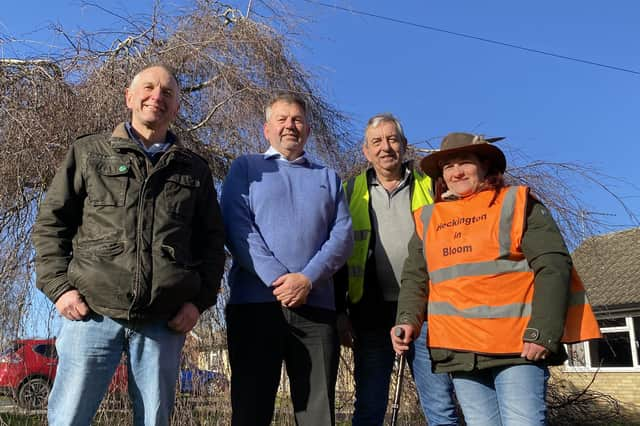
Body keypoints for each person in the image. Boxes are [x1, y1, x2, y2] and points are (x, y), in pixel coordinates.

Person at [32, 64, 226, 426]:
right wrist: (59, 288)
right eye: (149, 88)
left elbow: (213, 244)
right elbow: (50, 224)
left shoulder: (194, 170)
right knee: (68, 418)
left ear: (177, 107)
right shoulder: (89, 153)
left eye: (168, 92)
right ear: (130, 97)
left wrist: (199, 303)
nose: (157, 97)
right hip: (91, 313)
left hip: (163, 322)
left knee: (154, 420)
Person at [391, 132, 601, 425]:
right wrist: (406, 320)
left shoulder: (517, 203)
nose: (456, 172)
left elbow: (553, 266)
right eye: (448, 167)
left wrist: (542, 331)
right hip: (460, 350)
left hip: (518, 348)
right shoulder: (429, 219)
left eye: (465, 162)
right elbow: (415, 277)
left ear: (485, 166)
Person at [221, 92, 354, 426]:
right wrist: (280, 281)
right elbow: (238, 229)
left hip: (316, 310)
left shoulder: (328, 177)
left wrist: (307, 279)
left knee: (317, 415)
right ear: (267, 129)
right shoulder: (246, 168)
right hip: (255, 307)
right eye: (281, 119)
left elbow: (342, 237)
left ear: (308, 130)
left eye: (297, 120)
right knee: (251, 411)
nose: (290, 126)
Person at [334, 113, 458, 425]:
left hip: (428, 311)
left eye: (392, 139)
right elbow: (337, 256)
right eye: (376, 141)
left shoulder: (433, 188)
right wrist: (340, 312)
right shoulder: (349, 193)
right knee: (369, 407)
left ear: (404, 146)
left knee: (440, 406)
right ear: (366, 151)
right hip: (371, 315)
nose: (385, 147)